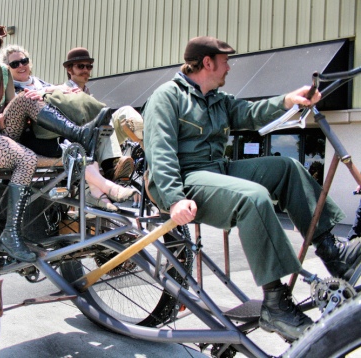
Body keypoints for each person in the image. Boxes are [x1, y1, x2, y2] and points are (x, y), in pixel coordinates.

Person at [142, 36, 361, 342]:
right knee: (253, 197)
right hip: (186, 181)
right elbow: (160, 152)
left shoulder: (218, 99)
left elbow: (251, 112)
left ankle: (331, 253)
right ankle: (275, 302)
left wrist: (289, 100)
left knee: (287, 167)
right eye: (225, 61)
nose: (229, 67)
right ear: (207, 62)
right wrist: (175, 199)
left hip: (218, 171)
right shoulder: (167, 97)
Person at [0, 20, 116, 262]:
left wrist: (26, 104)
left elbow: (12, 106)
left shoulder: (3, 72)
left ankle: (79, 134)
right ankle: (10, 234)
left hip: (2, 130)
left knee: (28, 97)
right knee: (27, 159)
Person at [0, 44, 138, 212]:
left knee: (86, 139)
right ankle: (107, 185)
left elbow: (61, 99)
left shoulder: (42, 84)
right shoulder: (6, 88)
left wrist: (53, 91)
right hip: (27, 137)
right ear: (6, 68)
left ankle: (97, 190)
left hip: (55, 134)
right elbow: (4, 114)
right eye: (15, 64)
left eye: (24, 61)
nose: (21, 66)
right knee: (77, 141)